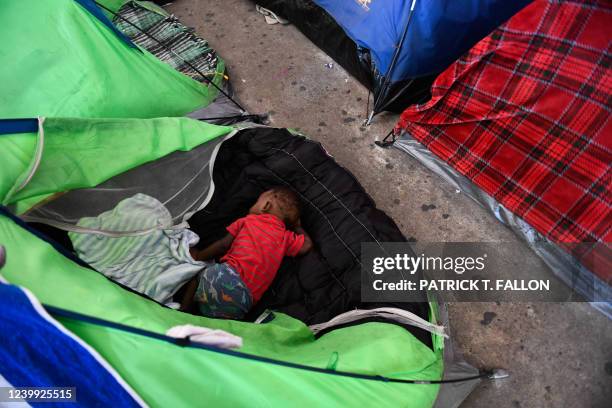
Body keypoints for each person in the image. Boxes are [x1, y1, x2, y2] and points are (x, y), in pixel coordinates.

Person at [179, 187, 312, 319]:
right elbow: (307, 245)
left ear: (266, 205)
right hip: (242, 303)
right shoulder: (286, 237)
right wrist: (297, 227)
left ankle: (184, 309)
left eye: (257, 201)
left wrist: (199, 256)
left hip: (219, 280)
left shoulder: (248, 221)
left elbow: (222, 246)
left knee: (197, 274)